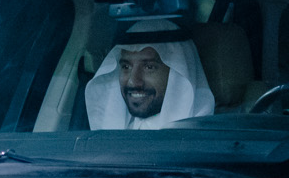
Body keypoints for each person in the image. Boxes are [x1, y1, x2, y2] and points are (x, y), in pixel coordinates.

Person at [84, 23, 215, 129]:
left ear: (177, 75)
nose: (133, 81)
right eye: (126, 67)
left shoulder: (202, 140)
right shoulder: (110, 139)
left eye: (149, 67)